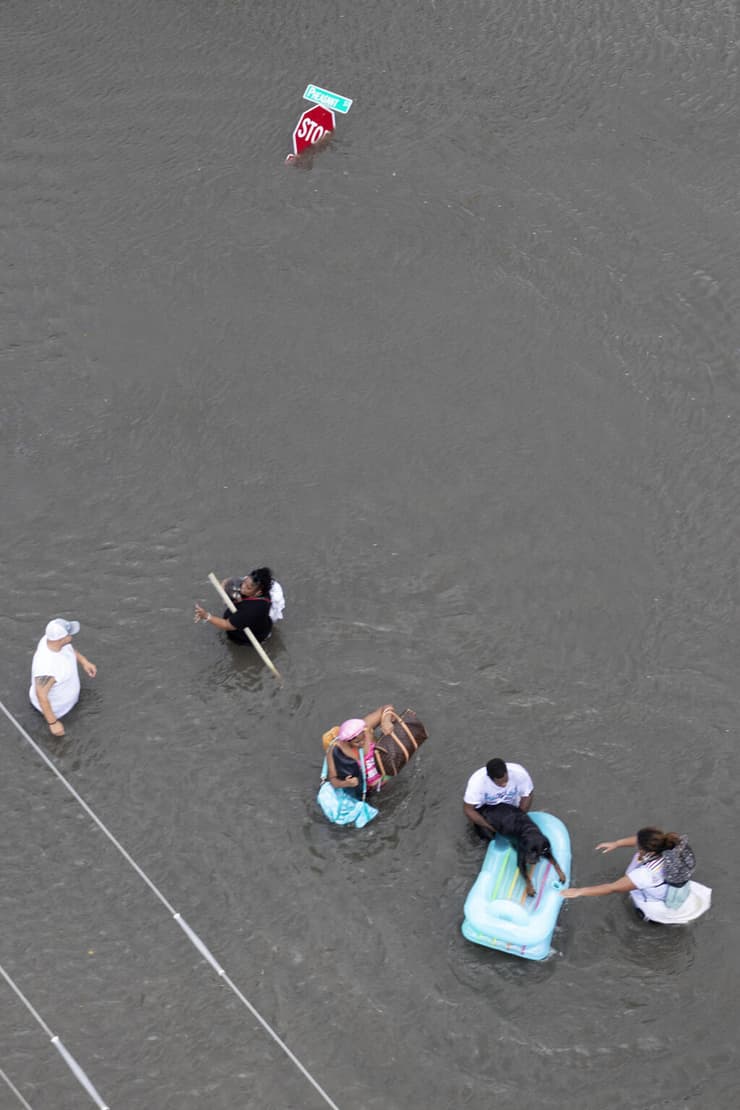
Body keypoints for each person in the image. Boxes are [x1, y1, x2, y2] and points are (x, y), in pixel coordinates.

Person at [561, 827, 679, 908]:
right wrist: (616, 843)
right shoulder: (667, 845)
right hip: (668, 882)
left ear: (646, 850)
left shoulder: (645, 874)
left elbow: (612, 888)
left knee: (634, 901)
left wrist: (580, 891)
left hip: (654, 899)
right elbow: (639, 840)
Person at [29, 619, 97, 738]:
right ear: (60, 639)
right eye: (69, 634)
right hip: (59, 712)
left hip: (71, 703)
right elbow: (41, 694)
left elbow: (69, 648)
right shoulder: (47, 667)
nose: (71, 635)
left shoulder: (50, 641)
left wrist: (84, 661)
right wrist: (53, 723)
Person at [325, 705, 399, 801]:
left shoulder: (366, 728)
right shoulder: (336, 750)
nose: (362, 742)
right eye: (357, 742)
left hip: (385, 775)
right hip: (366, 789)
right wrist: (347, 783)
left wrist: (386, 721)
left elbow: (386, 708)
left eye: (363, 737)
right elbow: (333, 780)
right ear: (347, 741)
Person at [194, 567, 275, 644]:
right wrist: (225, 593)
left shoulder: (252, 610)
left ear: (258, 592)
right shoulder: (253, 584)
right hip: (254, 621)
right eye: (244, 582)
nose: (242, 587)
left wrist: (206, 616)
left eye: (248, 588)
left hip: (247, 637)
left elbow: (227, 625)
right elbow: (227, 582)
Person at [463, 757, 534, 838]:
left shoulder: (519, 773)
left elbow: (527, 794)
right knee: (486, 836)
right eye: (499, 784)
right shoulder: (477, 783)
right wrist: (490, 828)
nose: (504, 785)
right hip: (487, 808)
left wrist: (519, 817)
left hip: (510, 805)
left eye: (506, 780)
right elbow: (468, 810)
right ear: (490, 778)